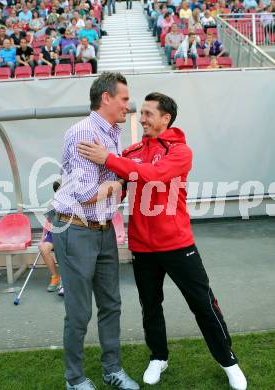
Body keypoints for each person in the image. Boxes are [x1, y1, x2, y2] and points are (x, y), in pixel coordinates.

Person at [77, 92, 248, 390]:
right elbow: (117, 179)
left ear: (165, 118)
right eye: (140, 113)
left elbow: (155, 175)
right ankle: (159, 356)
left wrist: (110, 159)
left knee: (203, 305)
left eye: (147, 113)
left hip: (178, 244)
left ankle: (228, 361)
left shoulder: (180, 151)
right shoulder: (130, 152)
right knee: (150, 306)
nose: (141, 118)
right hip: (142, 247)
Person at [52, 72, 139, 390]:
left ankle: (111, 369)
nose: (128, 106)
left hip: (103, 229)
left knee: (111, 304)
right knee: (78, 312)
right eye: (125, 99)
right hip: (76, 230)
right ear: (106, 98)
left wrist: (115, 175)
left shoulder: (112, 132)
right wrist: (118, 180)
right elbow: (88, 193)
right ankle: (74, 379)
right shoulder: (83, 132)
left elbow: (111, 185)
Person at [39, 181, 64, 296]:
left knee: (64, 249)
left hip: (67, 234)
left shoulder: (74, 203)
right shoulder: (52, 205)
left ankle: (66, 279)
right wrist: (43, 238)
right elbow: (48, 222)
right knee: (43, 248)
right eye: (57, 190)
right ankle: (55, 277)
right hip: (53, 234)